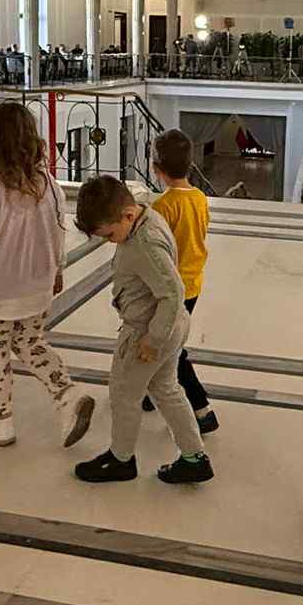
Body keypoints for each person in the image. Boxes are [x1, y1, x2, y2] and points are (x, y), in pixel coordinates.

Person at [0, 101, 94, 448]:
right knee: (31, 343)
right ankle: (67, 394)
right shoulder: (48, 183)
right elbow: (58, 232)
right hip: (37, 289)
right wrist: (58, 270)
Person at [70, 177, 215, 485]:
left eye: (110, 234)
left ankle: (121, 459)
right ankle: (194, 457)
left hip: (148, 331)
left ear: (127, 215)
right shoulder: (145, 217)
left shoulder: (144, 244)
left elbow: (173, 293)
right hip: (171, 324)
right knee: (166, 388)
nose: (111, 242)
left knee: (124, 393)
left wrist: (153, 339)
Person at [143, 130, 220, 435]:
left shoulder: (163, 206)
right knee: (163, 338)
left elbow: (155, 251)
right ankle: (149, 391)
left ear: (156, 168)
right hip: (193, 282)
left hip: (169, 289)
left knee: (172, 348)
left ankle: (202, 409)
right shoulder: (199, 198)